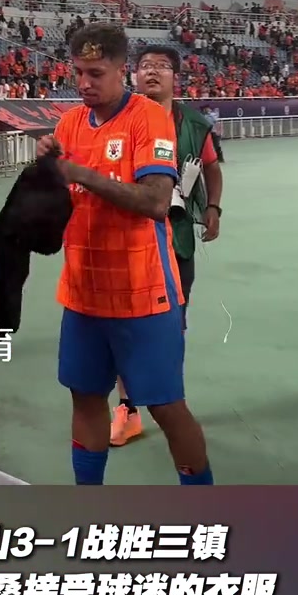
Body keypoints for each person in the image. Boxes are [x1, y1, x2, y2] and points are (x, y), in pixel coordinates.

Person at [37, 24, 213, 487]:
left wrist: (80, 173)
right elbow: (61, 201)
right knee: (85, 397)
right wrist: (46, 169)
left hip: (144, 295)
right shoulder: (69, 123)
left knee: (166, 407)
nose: (84, 83)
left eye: (95, 73)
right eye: (78, 72)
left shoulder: (148, 118)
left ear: (122, 70)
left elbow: (156, 202)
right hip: (83, 294)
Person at [109, 46, 224, 447]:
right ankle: (127, 409)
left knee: (173, 324)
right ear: (133, 76)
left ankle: (171, 399)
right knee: (124, 324)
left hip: (177, 238)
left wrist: (213, 206)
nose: (152, 72)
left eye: (162, 66)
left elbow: (211, 166)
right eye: (145, 66)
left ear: (176, 76)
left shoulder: (194, 124)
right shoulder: (117, 118)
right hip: (126, 236)